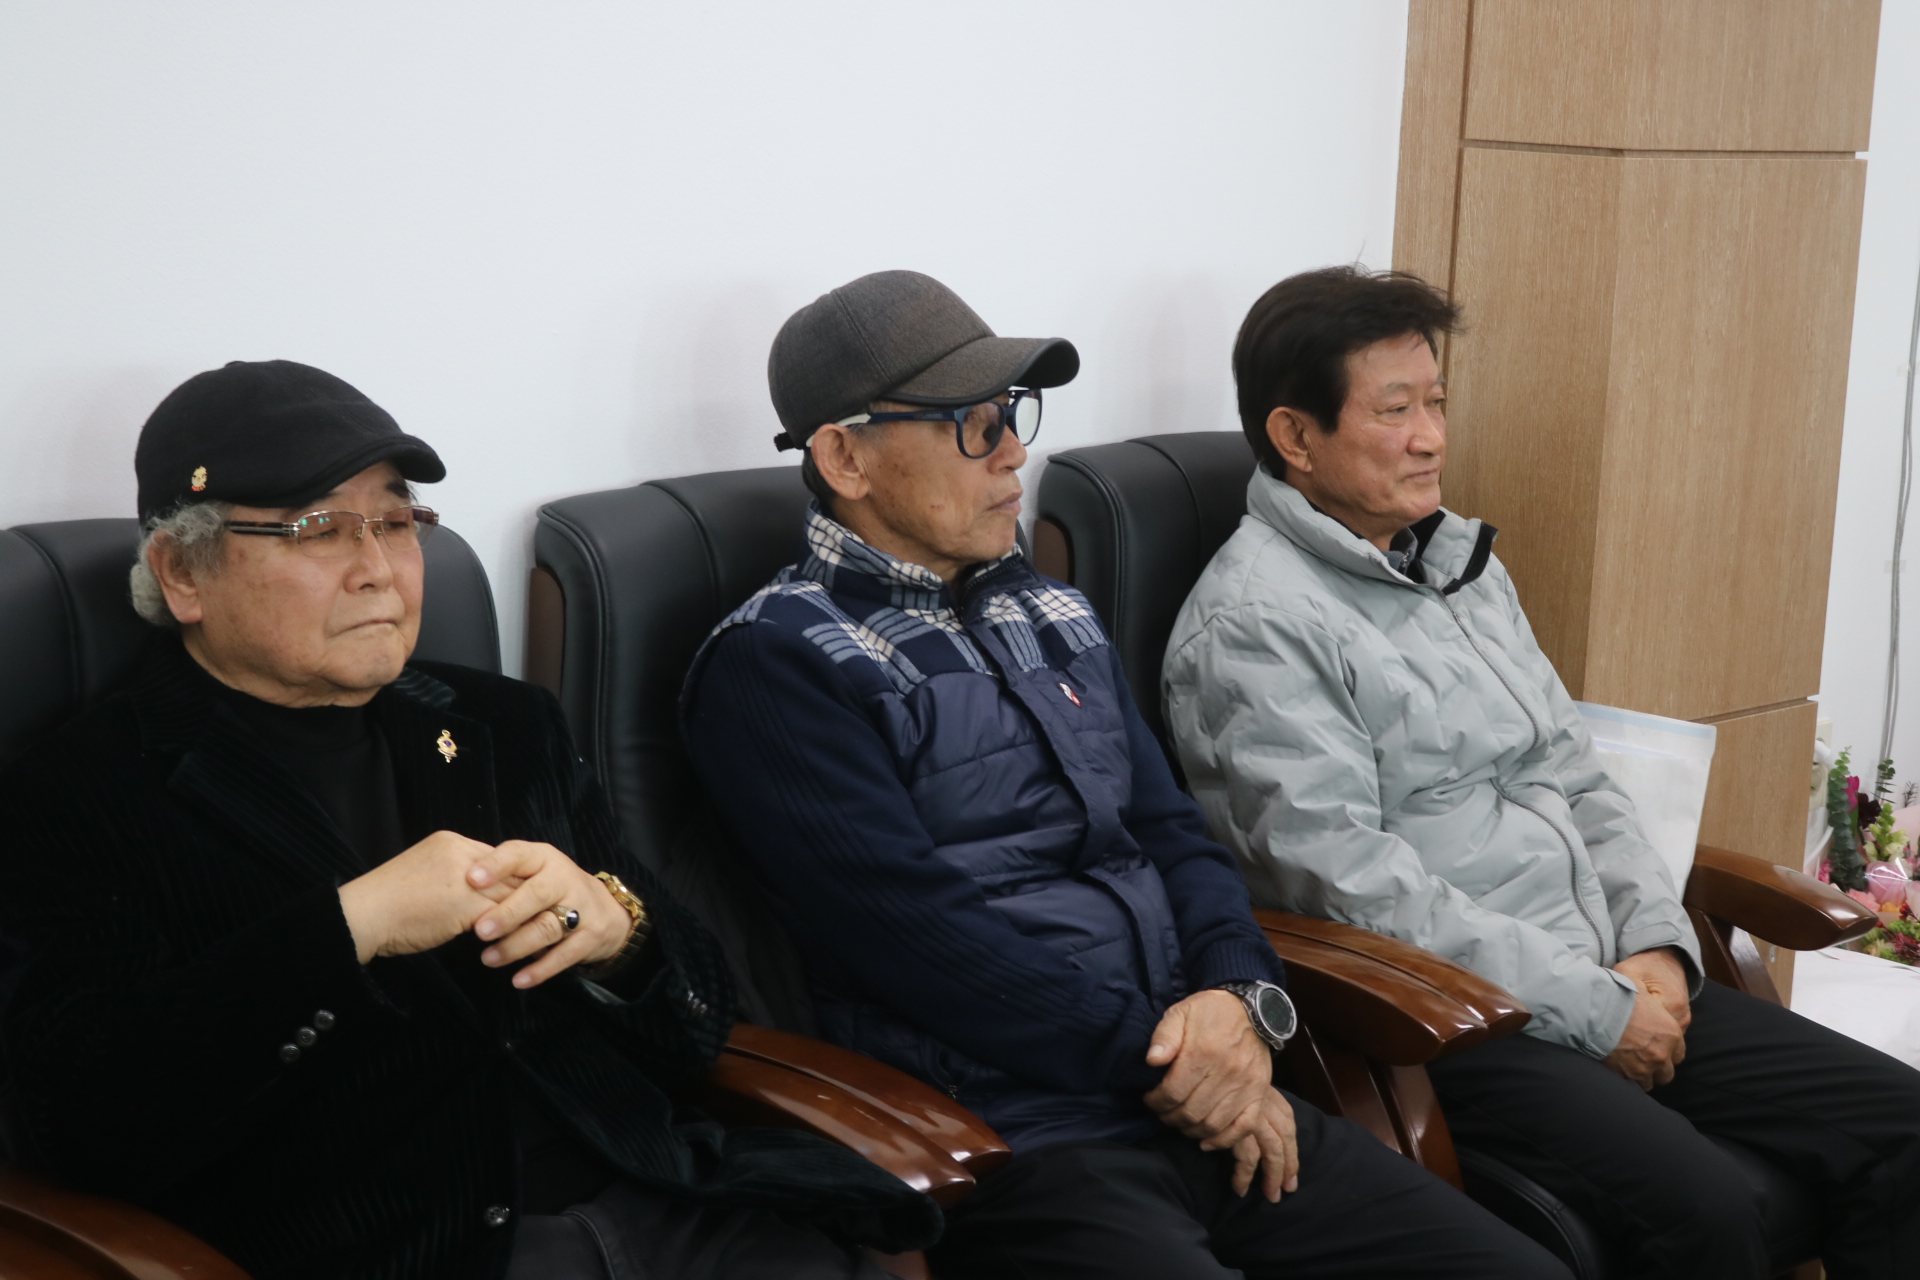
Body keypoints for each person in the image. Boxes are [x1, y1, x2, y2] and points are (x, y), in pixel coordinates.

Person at [681, 269, 1569, 1279]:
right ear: (845, 457)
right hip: (1017, 1135)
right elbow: (917, 937)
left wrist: (1239, 998)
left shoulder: (1052, 614)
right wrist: (1172, 1060)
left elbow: (1174, 836)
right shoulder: (778, 661)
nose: (1014, 452)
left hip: (1202, 1086)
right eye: (972, 427)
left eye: (1012, 414)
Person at [0, 360, 937, 1280]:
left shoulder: (504, 725)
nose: (378, 571)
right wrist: (348, 928)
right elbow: (82, 1124)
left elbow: (698, 1023)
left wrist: (619, 937)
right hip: (406, 1248)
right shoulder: (83, 791)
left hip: (661, 1194)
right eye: (320, 529)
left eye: (395, 521)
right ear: (182, 573)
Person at [1162, 265, 1920, 1280]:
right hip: (1464, 1017)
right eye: (1395, 410)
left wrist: (1655, 945)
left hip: (1607, 965)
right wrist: (1596, 1009)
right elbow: (1351, 888)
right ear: (1296, 436)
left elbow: (1576, 773)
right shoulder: (1254, 626)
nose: (1432, 437)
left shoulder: (1458, 566)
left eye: (1436, 402)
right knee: (1707, 1208)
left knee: (1902, 1126)